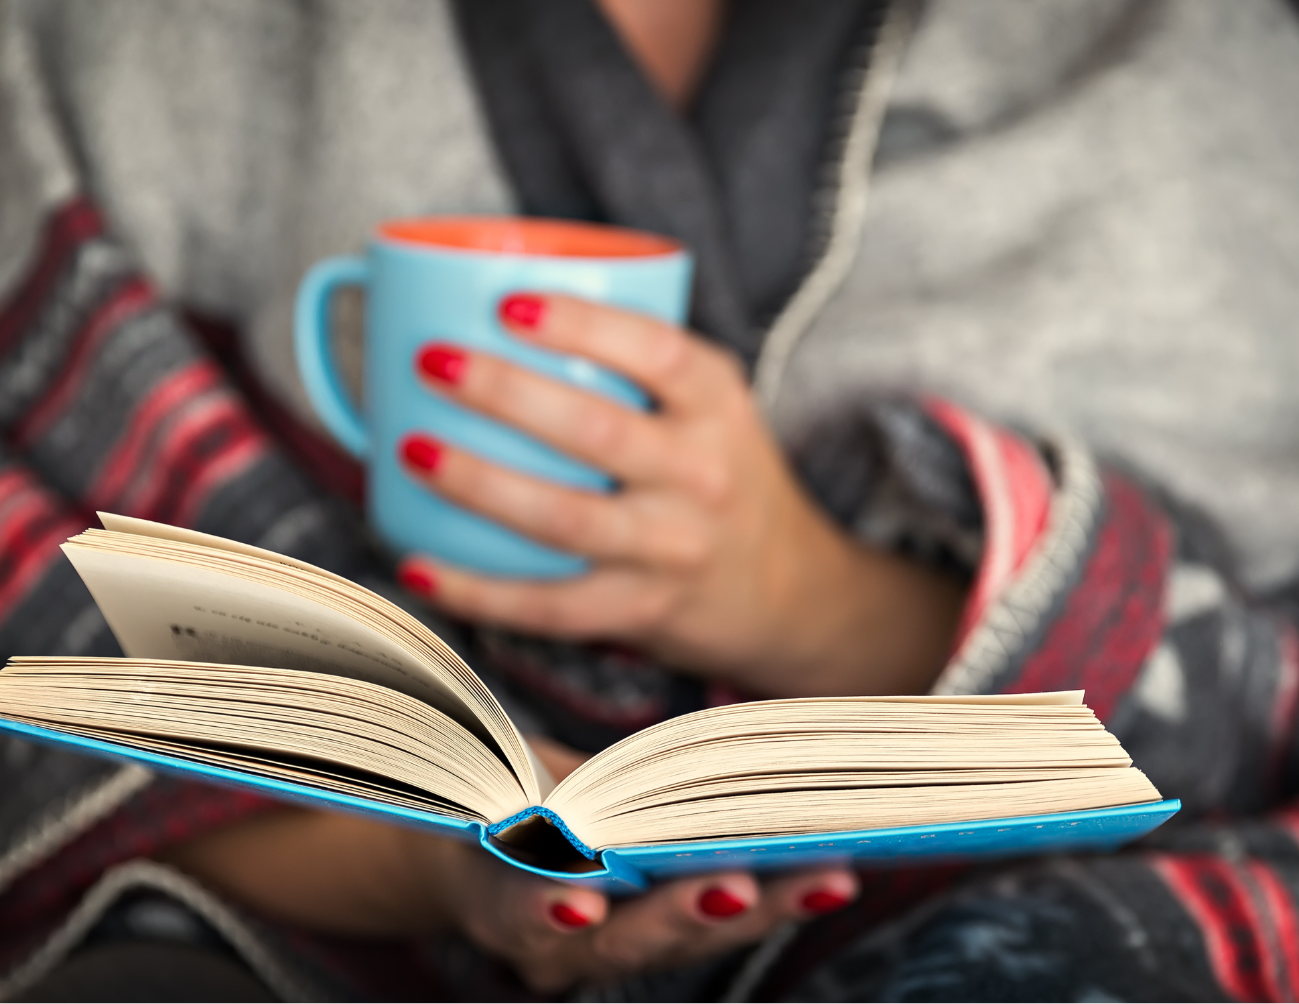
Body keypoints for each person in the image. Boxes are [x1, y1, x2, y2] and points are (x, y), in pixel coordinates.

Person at [2, 0, 1299, 999]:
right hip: (270, 926)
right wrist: (425, 853)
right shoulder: (119, 42)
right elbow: (37, 642)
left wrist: (807, 594)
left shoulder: (1217, 88)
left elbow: (1265, 715)